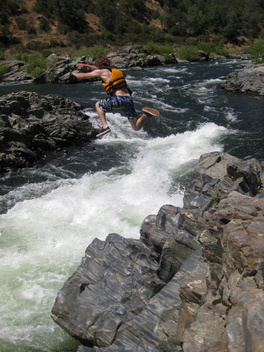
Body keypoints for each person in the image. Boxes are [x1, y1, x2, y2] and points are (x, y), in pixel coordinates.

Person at [72, 56, 160, 137]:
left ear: (99, 65)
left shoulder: (102, 72)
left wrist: (72, 73)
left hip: (120, 99)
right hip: (128, 99)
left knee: (98, 105)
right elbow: (97, 68)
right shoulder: (114, 71)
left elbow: (83, 76)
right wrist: (85, 65)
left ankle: (105, 126)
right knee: (136, 127)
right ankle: (145, 115)